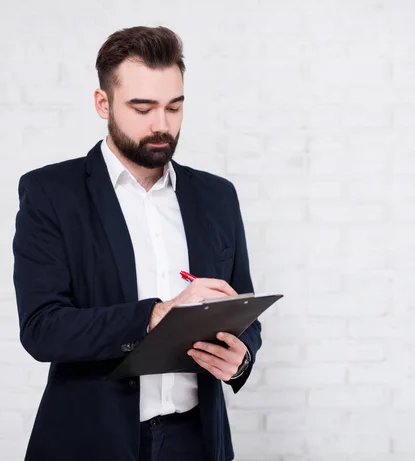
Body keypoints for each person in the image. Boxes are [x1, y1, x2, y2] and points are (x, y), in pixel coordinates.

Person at [12, 25, 261, 461]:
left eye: (174, 107)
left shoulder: (217, 197)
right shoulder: (51, 193)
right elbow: (42, 330)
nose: (161, 125)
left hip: (197, 442)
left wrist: (240, 359)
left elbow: (243, 311)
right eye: (142, 108)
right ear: (103, 103)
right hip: (91, 440)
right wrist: (154, 317)